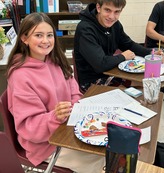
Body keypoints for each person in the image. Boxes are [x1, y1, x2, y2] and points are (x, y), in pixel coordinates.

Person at [6, 12, 105, 173]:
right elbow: (29, 127)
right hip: (44, 144)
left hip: (67, 128)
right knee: (103, 158)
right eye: (38, 35)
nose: (45, 41)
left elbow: (73, 89)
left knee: (109, 144)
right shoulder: (20, 76)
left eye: (49, 35)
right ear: (24, 38)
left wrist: (73, 108)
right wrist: (55, 117)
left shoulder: (55, 60)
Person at [74, 0, 163, 92]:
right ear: (98, 8)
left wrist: (150, 53)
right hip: (92, 81)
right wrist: (123, 56)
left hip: (111, 73)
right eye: (107, 10)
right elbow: (100, 64)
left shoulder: (115, 24)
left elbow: (128, 44)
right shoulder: (85, 29)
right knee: (141, 91)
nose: (112, 17)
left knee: (150, 84)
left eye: (117, 12)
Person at [146, 0, 164, 96]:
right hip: (156, 46)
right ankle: (163, 88)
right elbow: (149, 31)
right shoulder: (160, 7)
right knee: (160, 61)